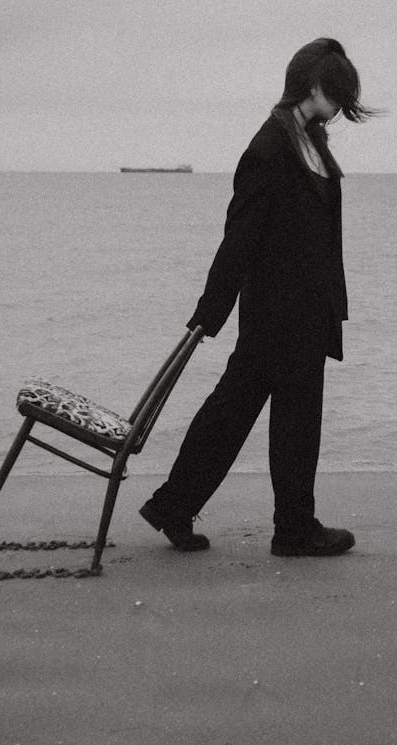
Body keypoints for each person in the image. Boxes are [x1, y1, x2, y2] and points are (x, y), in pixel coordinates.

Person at [140, 37, 377, 557]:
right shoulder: (269, 148)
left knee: (250, 414)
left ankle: (176, 506)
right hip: (275, 314)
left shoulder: (310, 140)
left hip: (304, 311)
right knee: (271, 418)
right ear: (315, 86)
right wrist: (211, 310)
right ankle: (290, 529)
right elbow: (239, 237)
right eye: (338, 93)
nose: (341, 107)